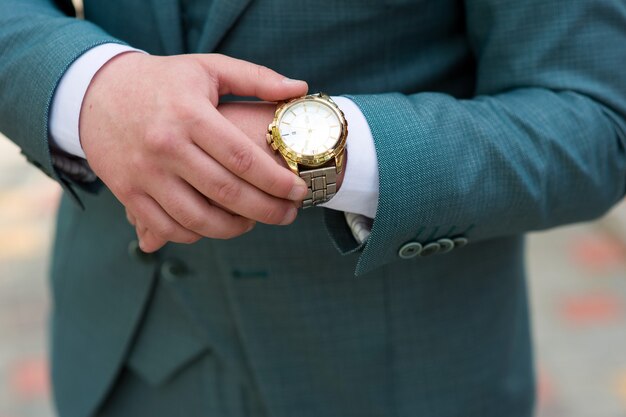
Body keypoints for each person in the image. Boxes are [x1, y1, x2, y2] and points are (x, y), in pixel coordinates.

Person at [1, 0, 626, 416]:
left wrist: (306, 145)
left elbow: (594, 118)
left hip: (396, 376)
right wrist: (90, 86)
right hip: (120, 351)